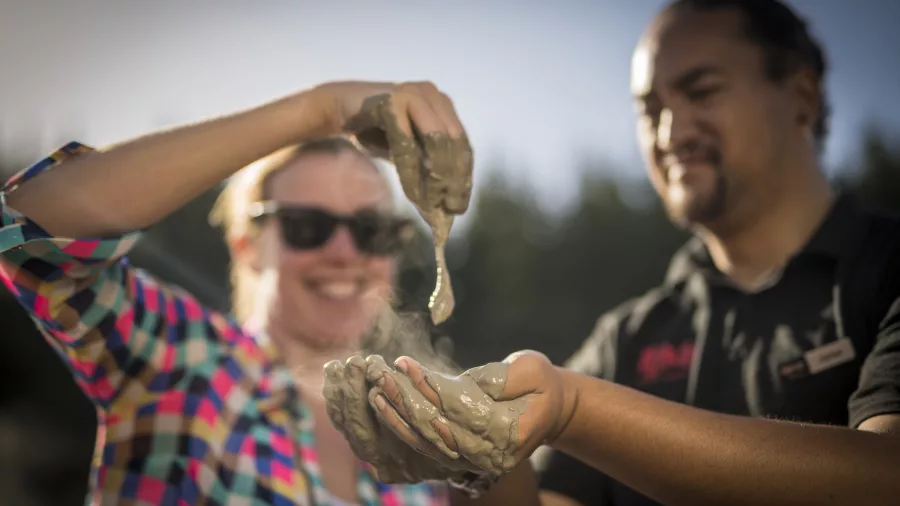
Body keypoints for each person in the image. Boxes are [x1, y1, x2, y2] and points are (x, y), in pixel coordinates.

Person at [326, 1, 900, 505]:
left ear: (801, 97)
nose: (670, 130)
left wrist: (574, 408)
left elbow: (884, 480)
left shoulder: (883, 271)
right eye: (649, 109)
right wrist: (468, 448)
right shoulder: (629, 337)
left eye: (702, 91)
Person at [0, 82, 536, 505]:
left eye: (372, 230)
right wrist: (320, 108)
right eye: (309, 226)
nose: (346, 254)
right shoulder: (184, 359)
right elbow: (30, 233)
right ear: (248, 244)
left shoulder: (413, 434)